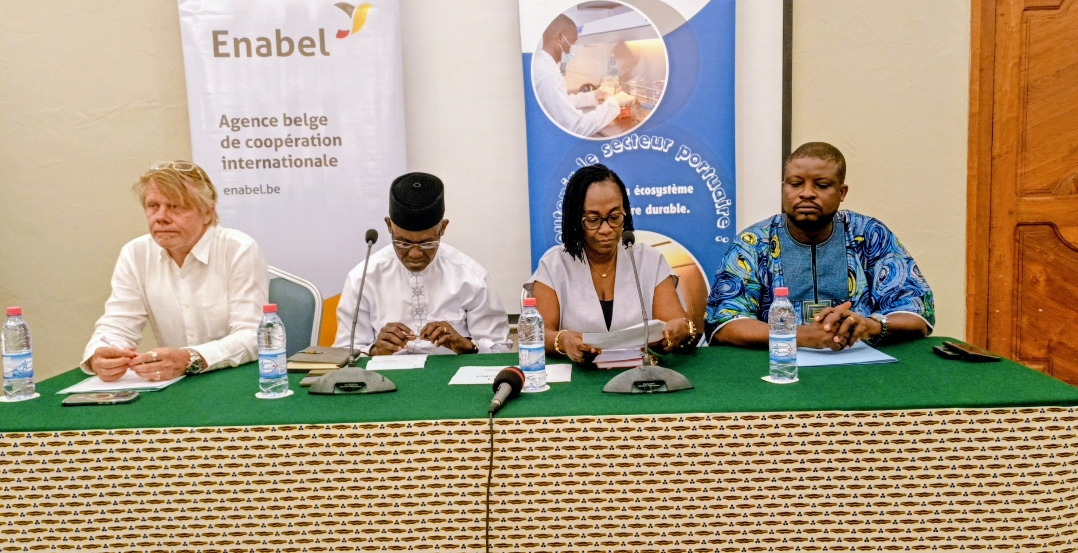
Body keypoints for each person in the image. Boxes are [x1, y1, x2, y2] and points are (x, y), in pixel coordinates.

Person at [705, 142, 934, 350]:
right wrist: (799, 336)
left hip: (861, 366)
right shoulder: (754, 242)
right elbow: (724, 323)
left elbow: (917, 313)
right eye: (796, 184)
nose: (806, 194)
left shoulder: (868, 235)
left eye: (822, 185)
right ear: (784, 188)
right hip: (779, 368)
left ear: (842, 192)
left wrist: (870, 326)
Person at [82, 161, 269, 382]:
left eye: (175, 206)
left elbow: (253, 336)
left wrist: (189, 359)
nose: (161, 217)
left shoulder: (238, 249)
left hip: (236, 379)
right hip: (174, 384)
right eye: (153, 206)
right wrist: (100, 356)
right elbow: (118, 324)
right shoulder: (135, 253)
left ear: (207, 213)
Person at [530, 164, 696, 364]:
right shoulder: (554, 265)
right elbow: (539, 334)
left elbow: (674, 322)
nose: (606, 229)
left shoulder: (649, 260)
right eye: (593, 220)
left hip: (641, 373)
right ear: (575, 220)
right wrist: (562, 341)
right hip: (578, 376)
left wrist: (675, 332)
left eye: (614, 217)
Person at [333, 172, 512, 356]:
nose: (415, 254)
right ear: (389, 226)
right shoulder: (363, 278)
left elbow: (501, 349)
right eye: (403, 243)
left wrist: (467, 345)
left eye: (427, 243)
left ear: (443, 228)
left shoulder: (471, 276)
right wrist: (375, 350)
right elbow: (343, 352)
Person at [532, 14, 623, 137]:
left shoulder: (542, 65)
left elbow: (560, 102)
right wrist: (614, 103)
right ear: (559, 37)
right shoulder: (547, 75)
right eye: (572, 42)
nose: (572, 48)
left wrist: (595, 95)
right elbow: (577, 127)